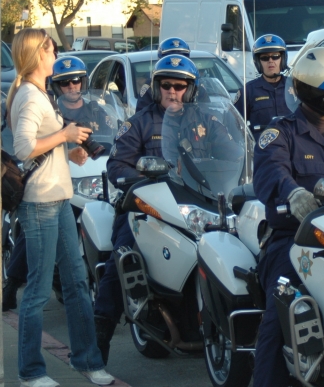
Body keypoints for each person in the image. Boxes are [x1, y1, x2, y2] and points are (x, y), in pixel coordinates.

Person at [94, 54, 239, 364]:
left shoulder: (205, 120)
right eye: (167, 85)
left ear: (191, 89)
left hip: (199, 204)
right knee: (123, 256)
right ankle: (99, 339)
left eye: (180, 86)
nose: (173, 92)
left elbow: (234, 154)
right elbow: (117, 166)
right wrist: (146, 177)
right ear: (157, 88)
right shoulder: (140, 123)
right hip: (147, 208)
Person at [252, 47, 324, 387]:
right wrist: (293, 192)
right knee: (284, 309)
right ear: (321, 95)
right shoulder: (281, 133)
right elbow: (269, 172)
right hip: (296, 241)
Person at [6, 28, 113, 387]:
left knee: (78, 283)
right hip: (40, 204)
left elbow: (41, 144)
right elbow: (23, 147)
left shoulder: (38, 93)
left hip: (58, 198)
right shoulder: (31, 97)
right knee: (37, 290)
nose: (56, 56)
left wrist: (69, 150)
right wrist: (65, 136)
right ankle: (31, 371)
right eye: (51, 50)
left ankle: (87, 360)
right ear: (38, 55)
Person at [2, 56, 115, 312]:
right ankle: (12, 283)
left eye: (76, 81)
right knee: (34, 238)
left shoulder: (99, 110)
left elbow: (116, 138)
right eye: (65, 83)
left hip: (93, 175)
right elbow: (25, 145)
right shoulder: (51, 108)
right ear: (57, 86)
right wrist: (66, 140)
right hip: (58, 183)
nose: (72, 87)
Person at [235, 34, 290, 139]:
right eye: (264, 58)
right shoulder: (248, 91)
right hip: (263, 151)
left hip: (293, 148)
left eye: (275, 56)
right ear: (258, 62)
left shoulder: (295, 88)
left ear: (282, 59)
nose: (270, 61)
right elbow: (235, 124)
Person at [134, 37, 192, 113]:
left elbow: (205, 112)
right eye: (165, 85)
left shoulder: (195, 86)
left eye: (180, 86)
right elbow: (141, 118)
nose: (175, 62)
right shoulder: (150, 86)